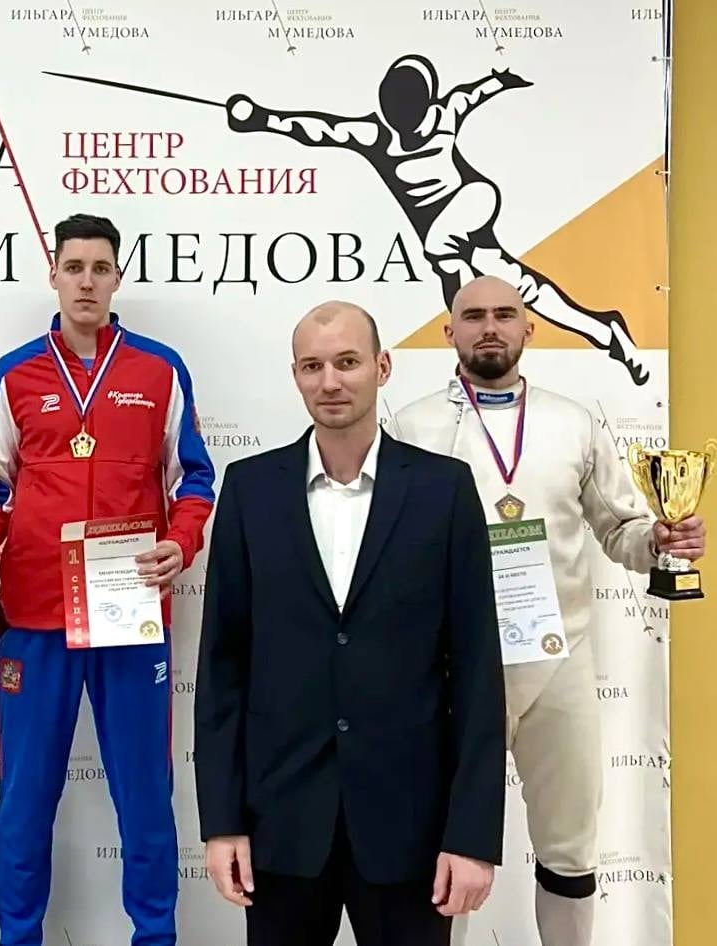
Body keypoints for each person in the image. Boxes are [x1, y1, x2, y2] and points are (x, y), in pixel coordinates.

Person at [392, 274, 706, 946]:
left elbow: (622, 530)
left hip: (557, 666)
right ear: (448, 332)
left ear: (529, 328)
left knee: (569, 851)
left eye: (505, 314)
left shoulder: (574, 421)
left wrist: (659, 539)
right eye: (473, 316)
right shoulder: (411, 425)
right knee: (445, 853)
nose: (490, 328)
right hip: (447, 672)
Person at [194, 301, 505, 946]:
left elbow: (478, 670)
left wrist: (473, 836)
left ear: (382, 367)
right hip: (280, 826)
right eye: (312, 366)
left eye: (347, 362)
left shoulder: (444, 490)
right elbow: (223, 665)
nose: (330, 381)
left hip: (410, 832)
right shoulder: (250, 489)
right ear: (295, 376)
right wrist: (221, 822)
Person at [0, 213, 216, 946]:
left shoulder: (159, 369)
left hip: (129, 613)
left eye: (100, 268)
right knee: (25, 797)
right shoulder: (16, 373)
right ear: (54, 275)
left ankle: (155, 939)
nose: (87, 282)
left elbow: (193, 479)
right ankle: (19, 938)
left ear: (117, 278)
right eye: (74, 267)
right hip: (35, 614)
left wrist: (181, 542)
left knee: (146, 797)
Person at [218, 54, 648, 385]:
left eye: (412, 113)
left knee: (440, 246)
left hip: (473, 200)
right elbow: (318, 130)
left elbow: (475, 92)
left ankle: (476, 348)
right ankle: (606, 329)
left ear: (426, 104)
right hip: (452, 234)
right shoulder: (376, 135)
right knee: (519, 286)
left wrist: (502, 79)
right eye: (397, 113)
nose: (407, 126)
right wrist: (261, 119)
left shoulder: (446, 113)